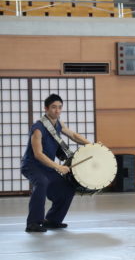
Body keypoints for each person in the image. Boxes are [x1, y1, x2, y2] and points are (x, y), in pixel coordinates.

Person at [21, 94, 91, 232]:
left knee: (67, 188)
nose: (57, 111)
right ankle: (33, 223)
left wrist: (92, 145)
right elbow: (38, 154)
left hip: (47, 167)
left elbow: (74, 136)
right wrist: (58, 167)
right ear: (46, 108)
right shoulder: (38, 128)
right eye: (53, 107)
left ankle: (53, 220)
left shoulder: (58, 124)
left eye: (59, 107)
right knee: (41, 183)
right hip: (32, 165)